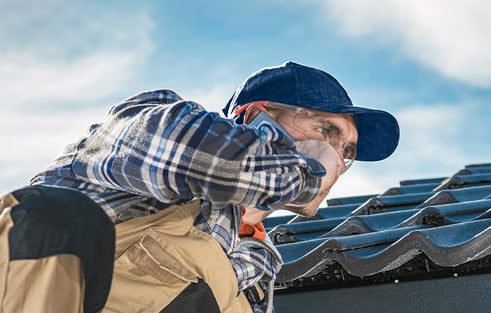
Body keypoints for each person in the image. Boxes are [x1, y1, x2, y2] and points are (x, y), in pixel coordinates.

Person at [0, 61, 399, 313]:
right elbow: (191, 149)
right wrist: (307, 171)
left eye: (347, 151)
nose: (338, 158)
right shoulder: (148, 133)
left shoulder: (258, 269)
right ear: (259, 117)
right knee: (56, 214)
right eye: (324, 129)